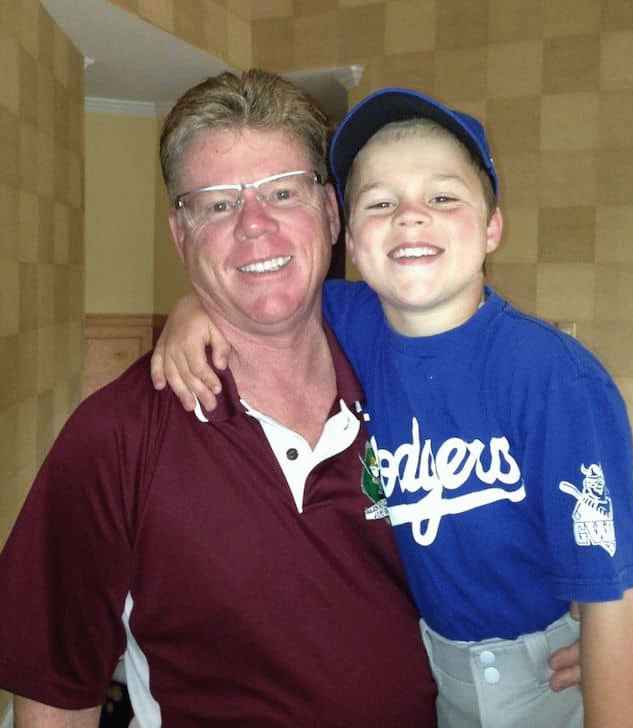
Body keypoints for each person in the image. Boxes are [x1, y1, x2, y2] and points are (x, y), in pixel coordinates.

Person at [150, 86, 633, 727]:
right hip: (435, 670)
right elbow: (253, 295)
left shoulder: (554, 377)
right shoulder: (343, 324)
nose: (411, 217)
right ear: (350, 238)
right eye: (381, 203)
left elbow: (613, 594)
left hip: (552, 671)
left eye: (442, 198)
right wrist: (192, 310)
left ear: (492, 227)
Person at [0, 71, 441, 727]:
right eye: (216, 204)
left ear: (330, 210)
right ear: (180, 234)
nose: (255, 225)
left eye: (282, 191)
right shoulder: (116, 438)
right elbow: (55, 694)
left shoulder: (415, 385)